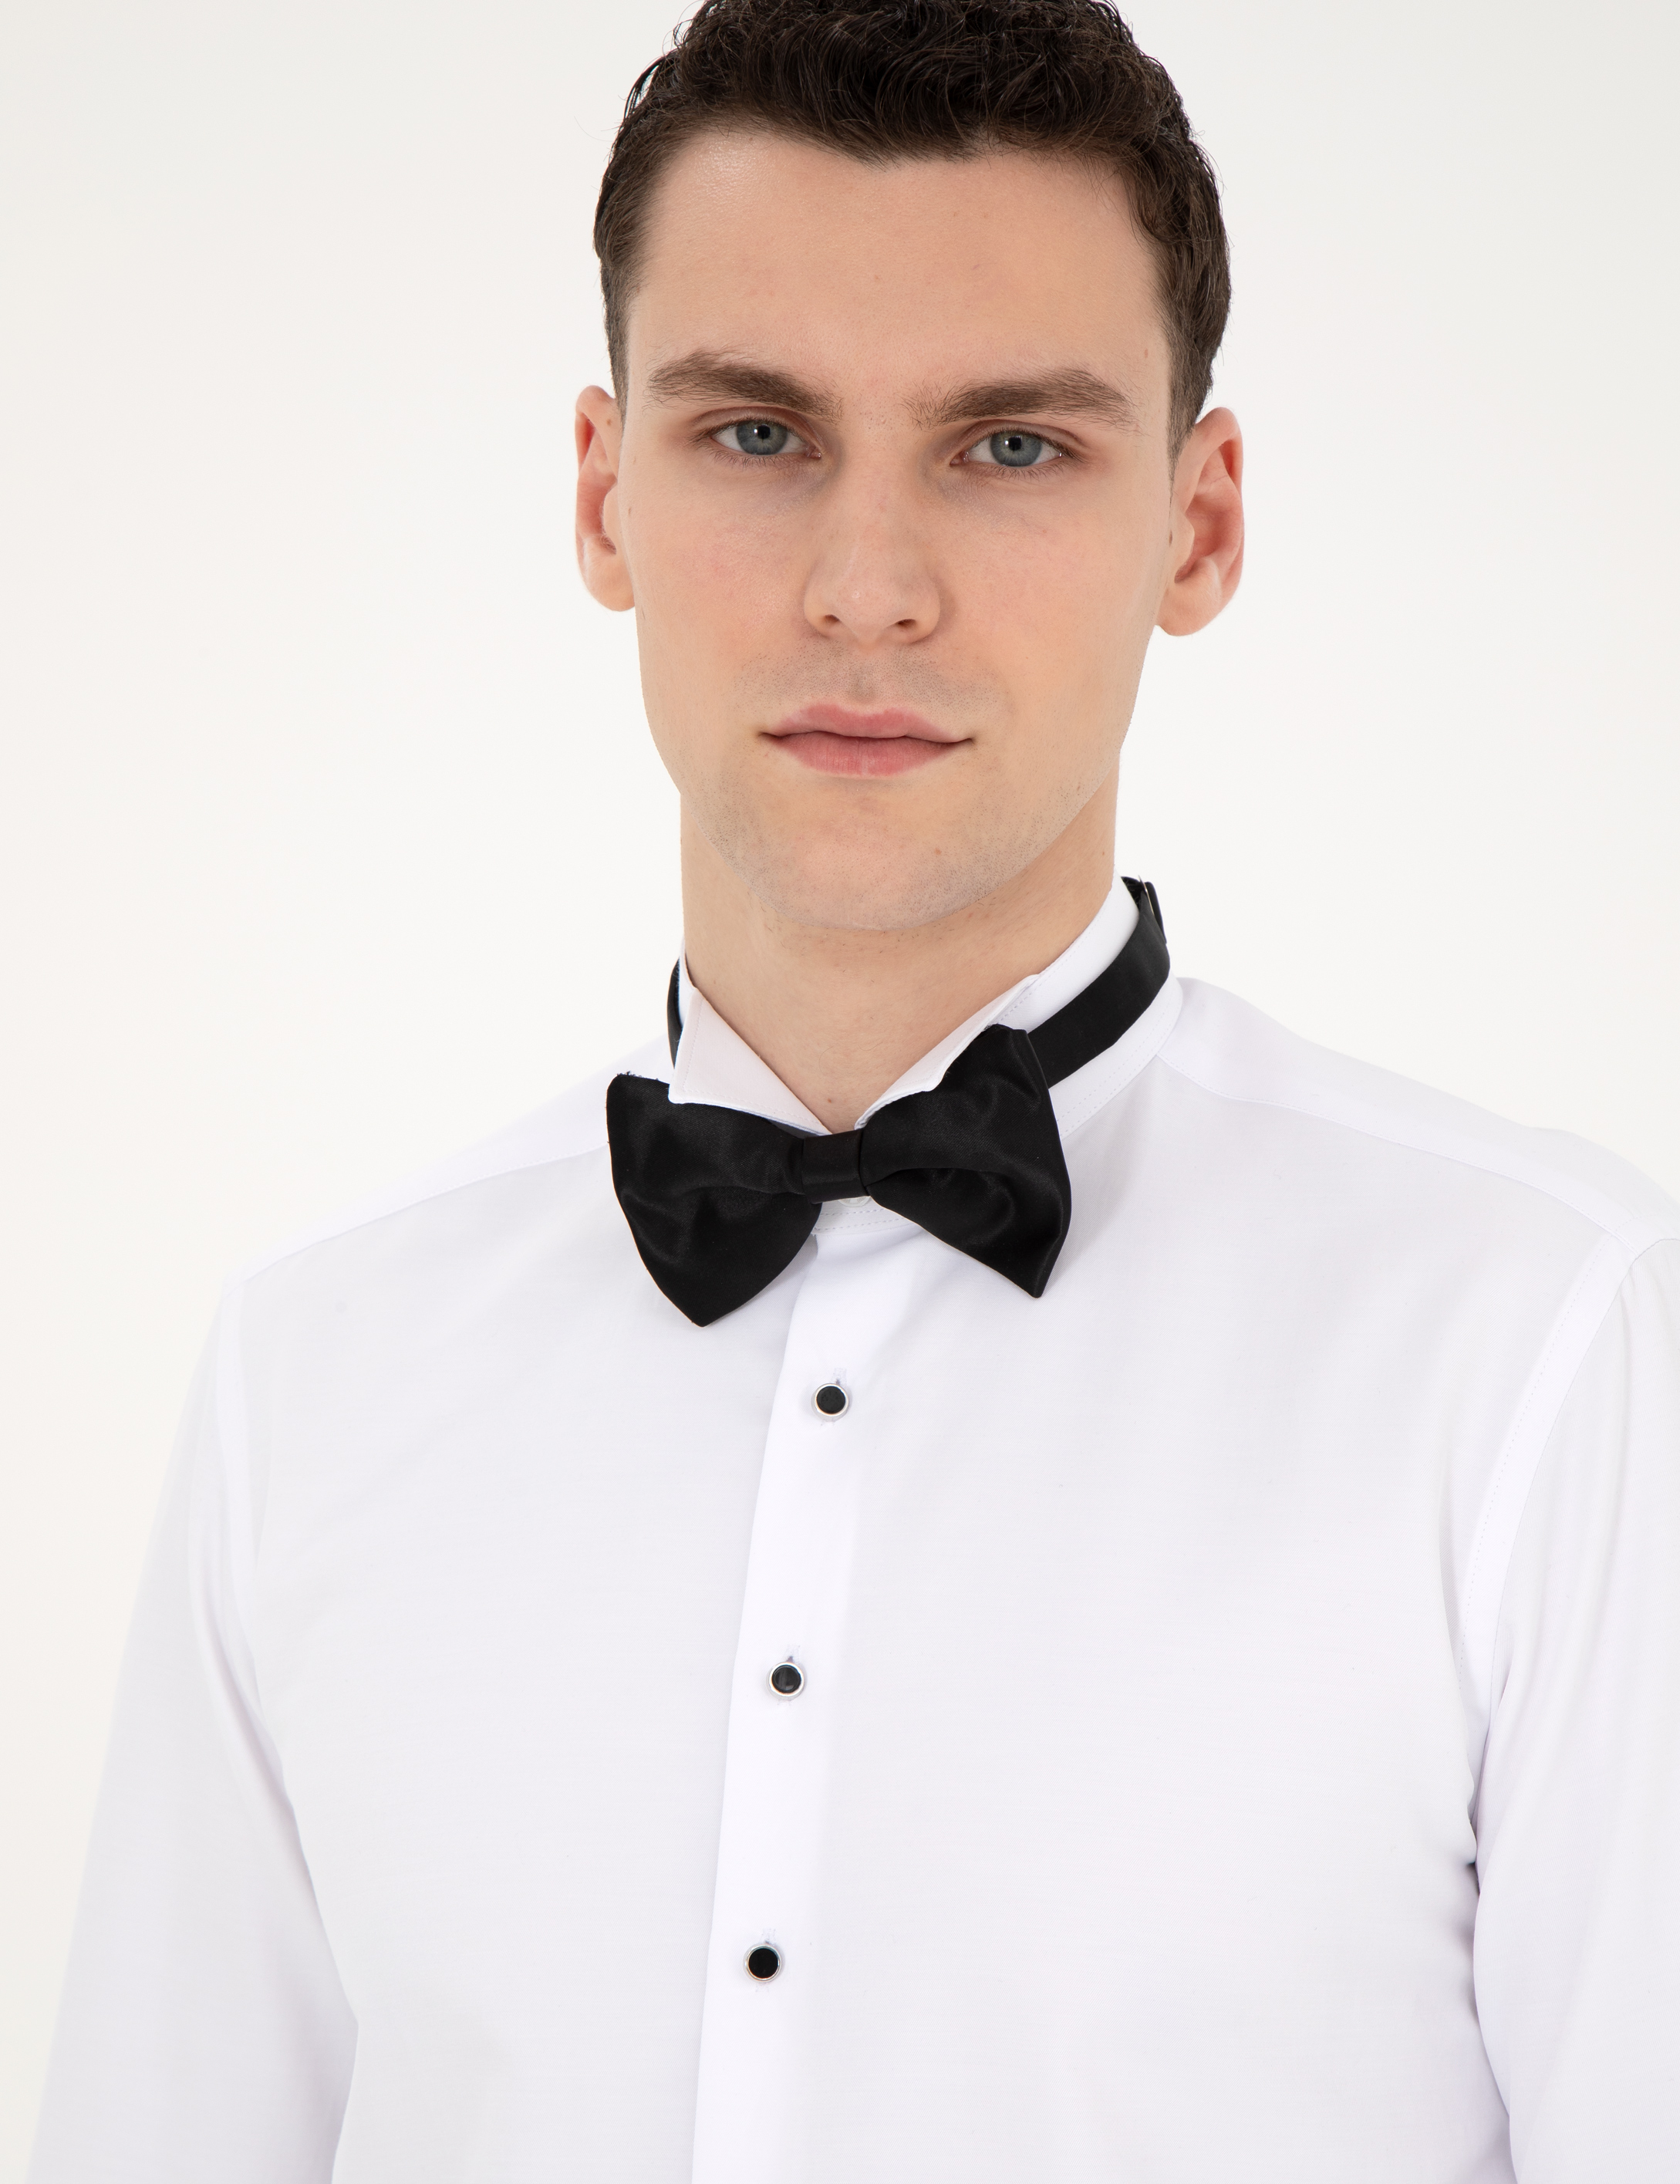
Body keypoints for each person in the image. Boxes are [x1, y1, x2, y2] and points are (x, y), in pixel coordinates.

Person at [29, 1, 1680, 2178]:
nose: (867, 591)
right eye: (757, 434)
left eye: (1011, 448)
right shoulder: (311, 1371)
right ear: (602, 494)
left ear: (1197, 527)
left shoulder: (1548, 1345)